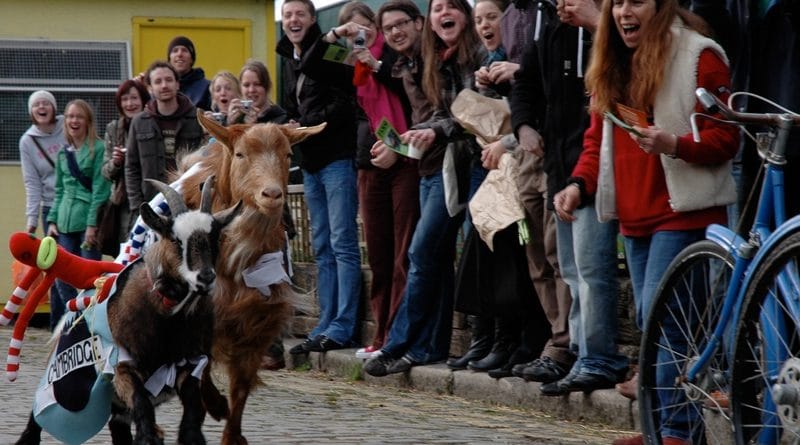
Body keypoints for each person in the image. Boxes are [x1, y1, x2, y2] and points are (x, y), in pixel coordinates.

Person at [551, 0, 738, 441]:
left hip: (684, 212)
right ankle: (664, 428)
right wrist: (578, 183)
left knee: (663, 318)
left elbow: (727, 136)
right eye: (616, 3)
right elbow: (598, 139)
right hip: (634, 219)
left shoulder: (699, 55)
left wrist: (675, 143)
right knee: (649, 321)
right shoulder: (614, 60)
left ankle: (674, 431)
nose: (622, 12)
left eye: (636, 2)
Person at [508, 0, 630, 397]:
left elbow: (629, 65)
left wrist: (596, 22)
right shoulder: (547, 21)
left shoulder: (613, 18)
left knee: (593, 270)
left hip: (595, 163)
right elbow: (526, 81)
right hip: (559, 164)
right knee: (571, 270)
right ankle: (581, 352)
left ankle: (599, 356)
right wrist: (524, 125)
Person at [364, 0, 486, 376]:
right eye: (390, 28)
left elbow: (453, 117)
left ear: (420, 24)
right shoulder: (409, 63)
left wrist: (404, 143)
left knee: (421, 254)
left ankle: (400, 343)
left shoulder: (452, 56)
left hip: (457, 164)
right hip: (431, 166)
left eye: (403, 23)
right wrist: (398, 145)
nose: (397, 32)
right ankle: (430, 346)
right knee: (435, 259)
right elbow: (428, 122)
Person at [321, 1, 420, 360]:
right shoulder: (351, 65)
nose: (361, 35)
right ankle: (380, 335)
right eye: (352, 30)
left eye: (367, 28)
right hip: (369, 163)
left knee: (402, 254)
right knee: (377, 256)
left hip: (405, 159)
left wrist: (374, 62)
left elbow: (411, 106)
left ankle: (396, 335)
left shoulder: (392, 59)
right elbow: (312, 62)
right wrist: (337, 36)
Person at [277, 0, 362, 354]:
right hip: (310, 161)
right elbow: (293, 105)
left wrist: (310, 125)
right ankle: (326, 322)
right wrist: (293, 123)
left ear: (313, 19)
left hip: (337, 158)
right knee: (322, 247)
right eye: (288, 15)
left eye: (300, 14)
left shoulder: (333, 47)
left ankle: (344, 325)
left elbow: (347, 100)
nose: (293, 20)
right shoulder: (288, 57)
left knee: (343, 245)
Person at [46, 99, 110, 325]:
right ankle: (75, 319)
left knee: (90, 278)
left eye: (79, 116)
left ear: (88, 121)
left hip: (87, 223)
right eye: (70, 116)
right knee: (60, 274)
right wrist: (52, 219)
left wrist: (93, 225)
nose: (74, 120)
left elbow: (101, 191)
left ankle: (92, 321)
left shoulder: (99, 149)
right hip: (64, 222)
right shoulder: (64, 153)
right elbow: (60, 189)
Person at [125, 60, 204, 220]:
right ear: (150, 88)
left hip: (188, 203)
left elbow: (203, 163)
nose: (164, 85)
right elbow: (131, 167)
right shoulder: (139, 122)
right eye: (158, 81)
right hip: (150, 204)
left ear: (177, 84)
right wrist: (137, 205)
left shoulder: (196, 117)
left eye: (169, 80)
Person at [19, 90, 66, 330]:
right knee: (54, 270)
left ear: (53, 107)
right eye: (36, 104)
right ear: (31, 111)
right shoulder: (28, 141)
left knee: (79, 266)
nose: (41, 107)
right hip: (50, 208)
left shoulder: (69, 125)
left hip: (76, 204)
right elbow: (32, 182)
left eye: (46, 103)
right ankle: (58, 327)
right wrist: (31, 222)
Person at [102, 79, 150, 246]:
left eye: (134, 98)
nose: (130, 103)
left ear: (144, 100)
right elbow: (105, 172)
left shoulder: (151, 124)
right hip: (122, 203)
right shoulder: (113, 129)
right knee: (126, 249)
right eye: (125, 99)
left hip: (147, 195)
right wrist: (115, 162)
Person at [228, 59, 288, 125]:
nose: (251, 90)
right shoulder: (238, 119)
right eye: (246, 85)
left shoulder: (282, 119)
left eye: (257, 84)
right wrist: (230, 124)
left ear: (267, 86)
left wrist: (253, 127)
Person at [167, 35, 211, 110]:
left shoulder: (207, 87)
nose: (179, 54)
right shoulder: (161, 86)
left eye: (184, 50)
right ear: (169, 59)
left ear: (192, 59)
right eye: (175, 50)